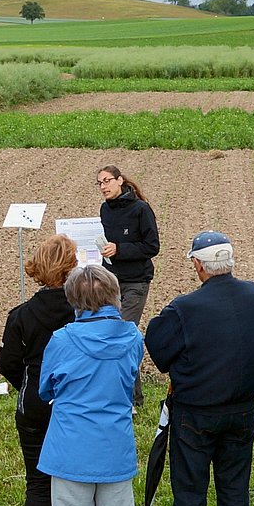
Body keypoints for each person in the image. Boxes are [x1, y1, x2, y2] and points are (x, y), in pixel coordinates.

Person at [144, 230, 254, 506]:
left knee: (190, 493)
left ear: (198, 265)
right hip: (243, 411)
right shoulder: (252, 294)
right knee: (234, 490)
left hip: (196, 414)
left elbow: (159, 346)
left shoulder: (185, 308)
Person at [38, 264, 146, 506]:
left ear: (73, 300)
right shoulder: (132, 337)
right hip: (114, 447)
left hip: (70, 449)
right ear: (114, 296)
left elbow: (46, 388)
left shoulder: (62, 340)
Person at [0, 234, 78, 506]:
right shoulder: (82, 314)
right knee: (81, 484)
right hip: (77, 406)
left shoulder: (21, 315)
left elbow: (7, 363)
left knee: (38, 483)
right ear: (72, 268)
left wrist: (30, 385)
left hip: (34, 406)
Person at [97, 165, 160, 406]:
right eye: (100, 183)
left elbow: (152, 247)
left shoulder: (141, 210)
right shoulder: (105, 210)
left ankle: (132, 399)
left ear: (120, 180)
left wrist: (120, 249)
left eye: (107, 181)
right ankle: (126, 395)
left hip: (136, 282)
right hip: (110, 282)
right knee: (113, 335)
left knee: (122, 335)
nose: (103, 186)